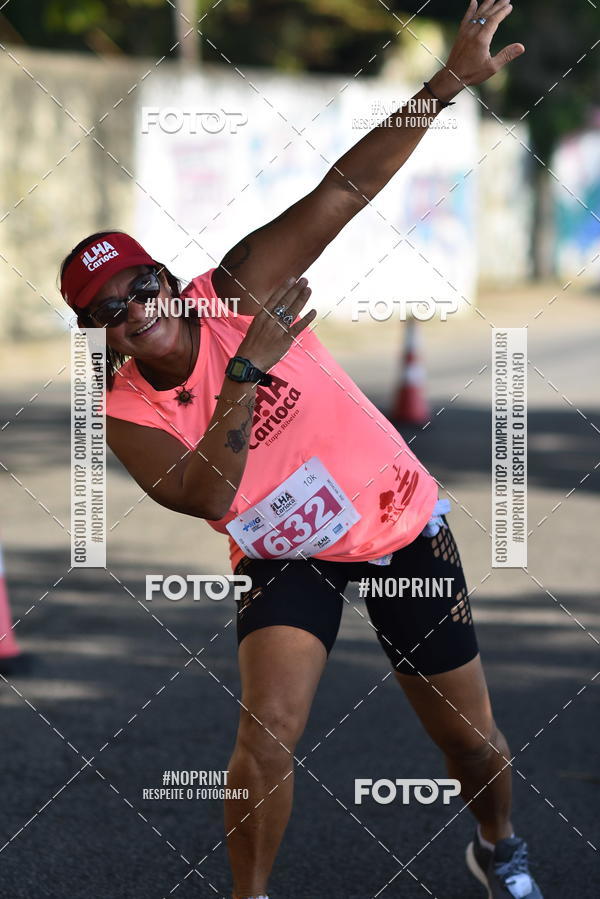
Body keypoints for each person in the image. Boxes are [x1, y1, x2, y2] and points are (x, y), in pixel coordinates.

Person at [59, 3, 541, 897]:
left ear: (168, 278)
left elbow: (342, 191)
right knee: (267, 730)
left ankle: (499, 843)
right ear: (100, 334)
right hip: (285, 551)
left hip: (396, 522)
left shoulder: (237, 288)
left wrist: (443, 85)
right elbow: (210, 497)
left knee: (467, 738)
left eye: (141, 285)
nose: (135, 310)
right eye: (109, 310)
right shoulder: (128, 413)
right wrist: (245, 372)